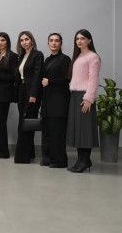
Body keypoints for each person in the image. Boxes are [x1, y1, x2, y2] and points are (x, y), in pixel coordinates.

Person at [66, 29, 101, 173]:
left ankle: (85, 160)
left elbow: (94, 80)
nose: (79, 41)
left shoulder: (93, 57)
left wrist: (88, 99)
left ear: (89, 40)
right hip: (75, 96)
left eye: (82, 38)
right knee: (78, 130)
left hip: (84, 96)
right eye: (77, 39)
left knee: (85, 130)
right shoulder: (78, 56)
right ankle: (81, 160)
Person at [40, 33, 71, 168]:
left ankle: (60, 161)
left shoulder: (65, 59)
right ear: (48, 43)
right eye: (51, 41)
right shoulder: (48, 59)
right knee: (47, 131)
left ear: (61, 43)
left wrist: (50, 82)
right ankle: (48, 159)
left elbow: (67, 79)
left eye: (57, 41)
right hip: (47, 101)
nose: (54, 43)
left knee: (57, 133)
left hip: (59, 102)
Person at [14, 31, 44, 164]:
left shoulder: (37, 55)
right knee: (23, 121)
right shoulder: (21, 56)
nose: (24, 42)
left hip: (32, 91)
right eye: (22, 40)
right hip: (22, 90)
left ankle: (23, 156)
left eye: (26, 39)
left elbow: (37, 75)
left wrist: (33, 94)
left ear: (32, 40)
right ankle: (29, 153)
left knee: (27, 122)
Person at [0, 32, 18, 159]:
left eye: (3, 40)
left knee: (0, 122)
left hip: (4, 94)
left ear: (7, 42)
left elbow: (14, 77)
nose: (0, 43)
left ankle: (3, 152)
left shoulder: (12, 56)